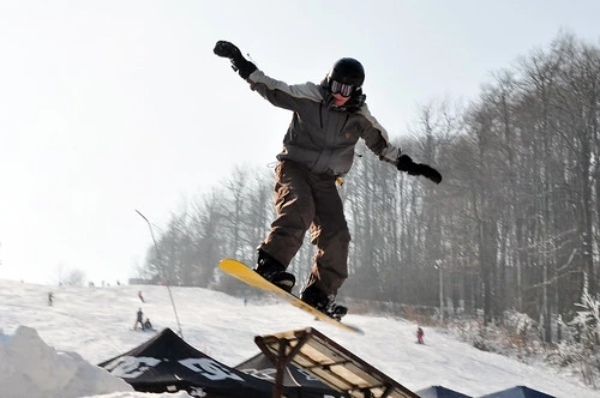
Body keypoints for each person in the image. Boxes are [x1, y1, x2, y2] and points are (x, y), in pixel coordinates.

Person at [214, 41, 442, 320]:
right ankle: (271, 262)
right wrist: (240, 62)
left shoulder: (360, 117)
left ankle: (319, 293)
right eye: (335, 86)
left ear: (356, 91)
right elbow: (273, 89)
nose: (338, 94)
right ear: (329, 81)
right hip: (294, 167)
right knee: (299, 207)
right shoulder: (310, 96)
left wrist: (409, 165)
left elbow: (380, 144)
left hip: (326, 180)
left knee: (337, 234)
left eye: (346, 90)